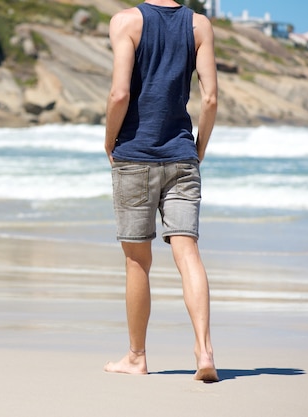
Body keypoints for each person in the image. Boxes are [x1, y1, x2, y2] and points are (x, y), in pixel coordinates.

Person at [103, 0, 219, 382]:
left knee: (138, 261)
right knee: (188, 254)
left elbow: (120, 93)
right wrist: (197, 148)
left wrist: (109, 142)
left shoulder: (126, 22)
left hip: (136, 155)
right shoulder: (199, 25)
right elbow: (211, 98)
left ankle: (137, 357)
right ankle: (204, 350)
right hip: (182, 156)